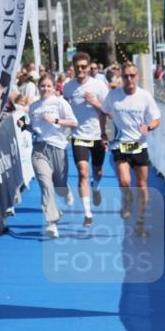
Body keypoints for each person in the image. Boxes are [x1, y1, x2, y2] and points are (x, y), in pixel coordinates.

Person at [102, 63, 160, 234]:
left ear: (137, 77)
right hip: (120, 144)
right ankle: (127, 199)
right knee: (125, 181)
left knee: (142, 184)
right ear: (122, 77)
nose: (129, 79)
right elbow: (103, 111)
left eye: (132, 75)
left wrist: (148, 127)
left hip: (140, 145)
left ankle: (141, 222)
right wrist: (102, 133)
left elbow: (157, 118)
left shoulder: (145, 96)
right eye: (126, 76)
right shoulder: (113, 96)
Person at [28, 74, 77, 238]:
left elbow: (73, 122)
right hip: (39, 149)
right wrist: (25, 126)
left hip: (58, 147)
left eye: (49, 86)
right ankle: (51, 223)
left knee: (59, 187)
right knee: (45, 185)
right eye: (42, 86)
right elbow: (35, 128)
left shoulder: (60, 102)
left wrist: (55, 120)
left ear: (54, 87)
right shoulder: (33, 106)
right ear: (38, 87)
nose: (45, 89)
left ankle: (66, 191)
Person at [62, 51, 108, 227]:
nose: (80, 70)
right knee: (82, 172)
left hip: (97, 135)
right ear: (73, 68)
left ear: (89, 67)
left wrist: (95, 102)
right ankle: (88, 214)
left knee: (97, 171)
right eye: (77, 67)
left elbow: (109, 111)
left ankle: (96, 187)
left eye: (83, 67)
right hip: (78, 135)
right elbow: (63, 106)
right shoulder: (68, 87)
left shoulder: (99, 86)